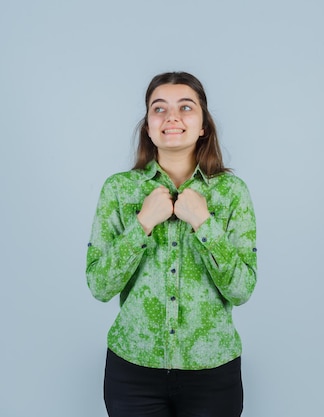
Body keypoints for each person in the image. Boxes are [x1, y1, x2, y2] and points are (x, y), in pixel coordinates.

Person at [86, 71, 257, 417]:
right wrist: (143, 223)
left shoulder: (231, 193)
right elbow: (100, 285)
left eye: (186, 107)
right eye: (159, 109)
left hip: (213, 371)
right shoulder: (119, 191)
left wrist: (203, 223)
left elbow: (241, 289)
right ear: (148, 126)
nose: (172, 117)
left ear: (204, 125)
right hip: (132, 370)